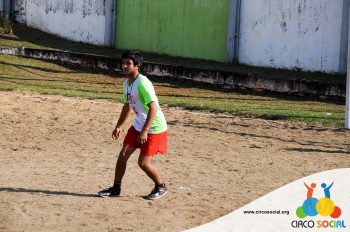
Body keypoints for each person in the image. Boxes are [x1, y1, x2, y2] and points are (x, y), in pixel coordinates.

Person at [98, 50, 168, 200]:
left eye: (128, 63)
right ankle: (115, 188)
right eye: (123, 63)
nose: (124, 66)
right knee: (123, 155)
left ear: (137, 66)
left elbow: (153, 107)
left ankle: (161, 187)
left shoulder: (143, 83)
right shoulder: (126, 84)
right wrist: (119, 126)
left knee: (143, 163)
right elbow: (127, 106)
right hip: (139, 125)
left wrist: (145, 131)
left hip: (154, 128)